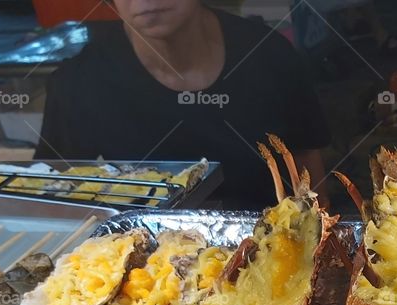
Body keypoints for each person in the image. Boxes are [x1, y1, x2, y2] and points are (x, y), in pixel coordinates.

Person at [35, 0, 330, 208]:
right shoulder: (79, 81)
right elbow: (55, 189)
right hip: (148, 270)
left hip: (274, 253)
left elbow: (308, 164)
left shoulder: (268, 54)